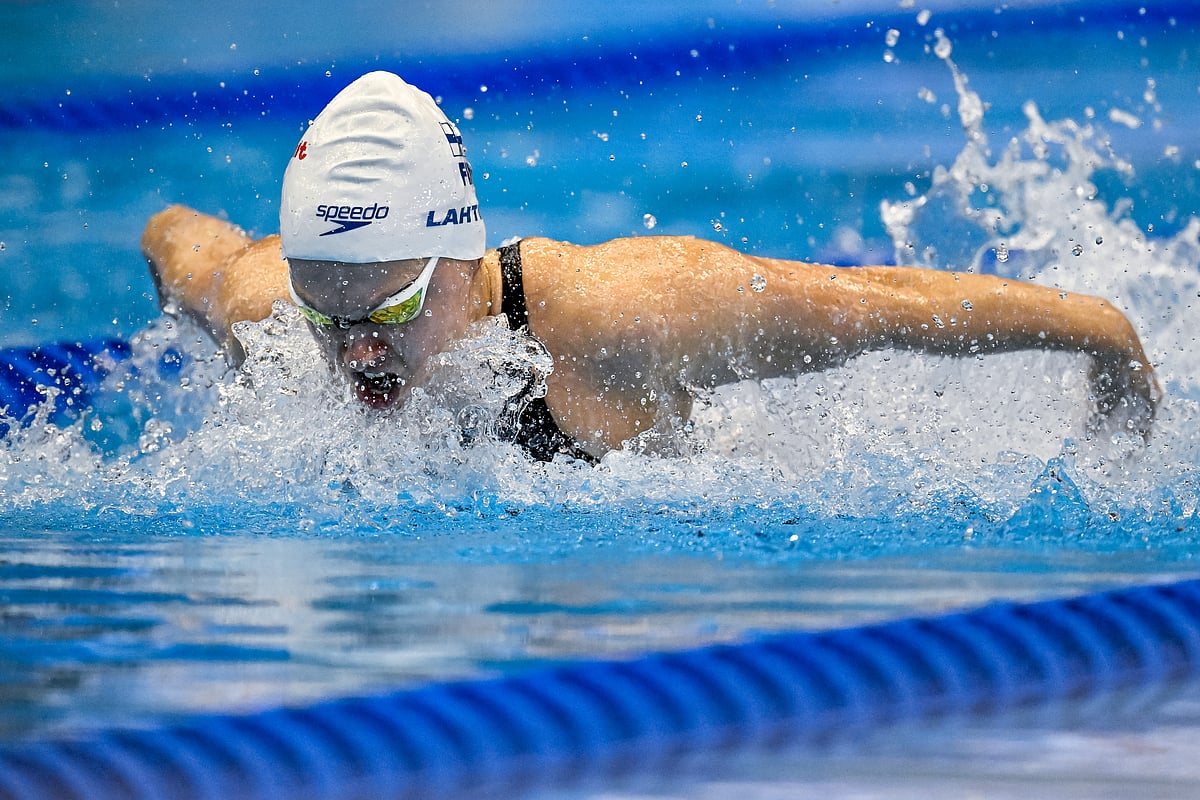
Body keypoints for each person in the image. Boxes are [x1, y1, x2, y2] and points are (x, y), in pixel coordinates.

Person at [142, 71, 1159, 461]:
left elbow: (880, 304)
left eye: (392, 304)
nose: (357, 347)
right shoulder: (269, 306)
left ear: (459, 246)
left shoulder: (624, 314)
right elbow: (173, 236)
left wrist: (1099, 331)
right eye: (330, 316)